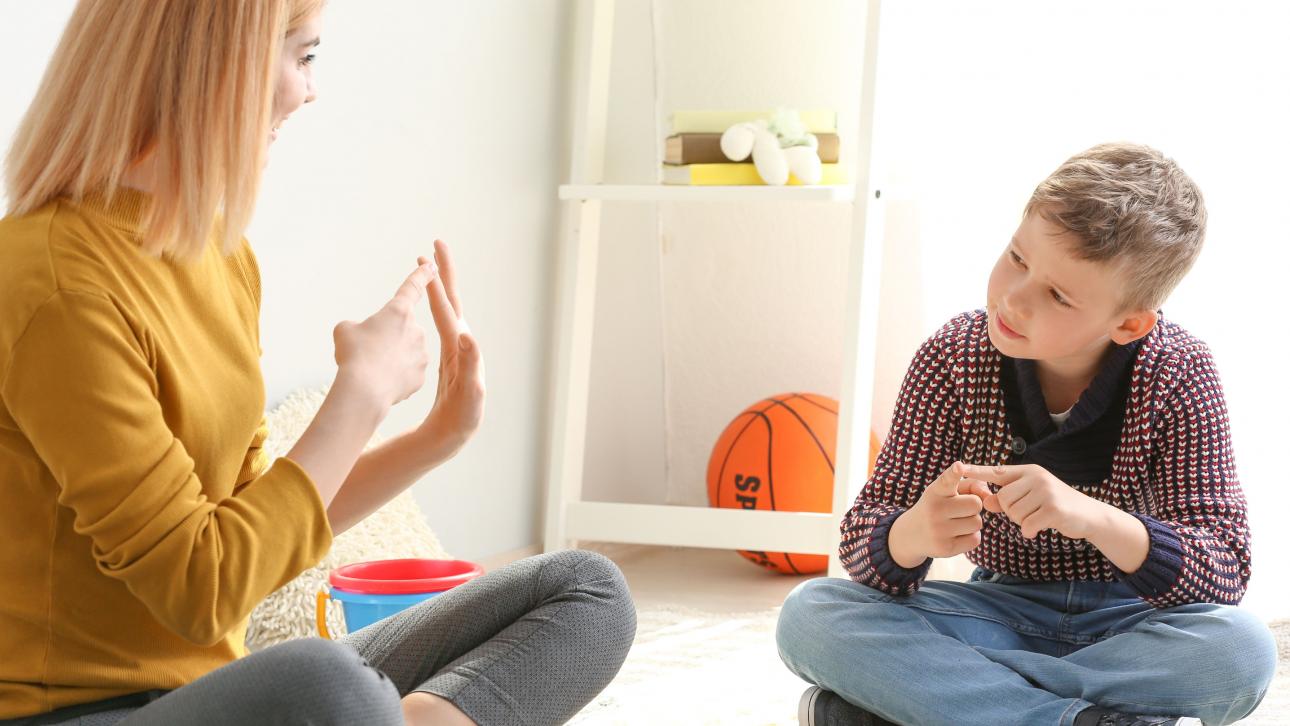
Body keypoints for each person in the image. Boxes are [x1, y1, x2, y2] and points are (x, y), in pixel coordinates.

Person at [0, 2, 635, 724]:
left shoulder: (218, 253)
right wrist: (357, 396)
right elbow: (200, 592)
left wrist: (434, 439)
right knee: (328, 685)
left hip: (214, 695)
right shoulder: (54, 285)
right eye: (302, 56)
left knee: (586, 591)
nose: (310, 90)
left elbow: (255, 527)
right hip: (79, 714)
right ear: (216, 63)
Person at [776, 143, 1277, 726]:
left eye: (1058, 295)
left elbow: (1225, 567)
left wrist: (1092, 517)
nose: (1014, 297)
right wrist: (911, 533)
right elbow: (863, 540)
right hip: (995, 609)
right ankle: (1076, 718)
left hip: (1131, 623)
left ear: (1129, 323)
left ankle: (927, 703)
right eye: (1017, 258)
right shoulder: (952, 357)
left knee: (1241, 650)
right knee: (811, 614)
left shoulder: (1178, 373)